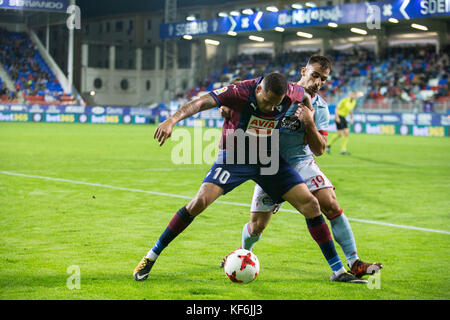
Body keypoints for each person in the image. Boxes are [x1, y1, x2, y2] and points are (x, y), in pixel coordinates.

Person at [133, 72, 365, 283]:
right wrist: (172, 120)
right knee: (199, 202)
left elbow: (305, 96)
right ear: (258, 90)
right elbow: (199, 103)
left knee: (311, 204)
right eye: (267, 102)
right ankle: (150, 257)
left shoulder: (291, 93)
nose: (271, 108)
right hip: (235, 156)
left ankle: (338, 271)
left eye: (277, 105)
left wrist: (309, 113)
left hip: (267, 159)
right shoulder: (239, 91)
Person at [220, 56, 382, 279]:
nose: (318, 82)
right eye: (315, 75)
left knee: (330, 204)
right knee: (257, 226)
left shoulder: (321, 107)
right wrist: (229, 107)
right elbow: (247, 95)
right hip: (270, 166)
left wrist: (310, 122)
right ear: (304, 71)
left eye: (323, 79)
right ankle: (242, 254)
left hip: (302, 162)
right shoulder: (279, 93)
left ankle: (353, 262)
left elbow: (320, 149)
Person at [326, 91, 358, 155]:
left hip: (344, 117)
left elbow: (350, 111)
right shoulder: (344, 100)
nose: (353, 96)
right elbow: (337, 108)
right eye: (352, 94)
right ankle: (331, 146)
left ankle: (340, 149)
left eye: (354, 95)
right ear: (350, 94)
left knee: (343, 133)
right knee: (342, 133)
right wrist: (337, 117)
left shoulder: (354, 102)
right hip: (339, 116)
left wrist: (351, 118)